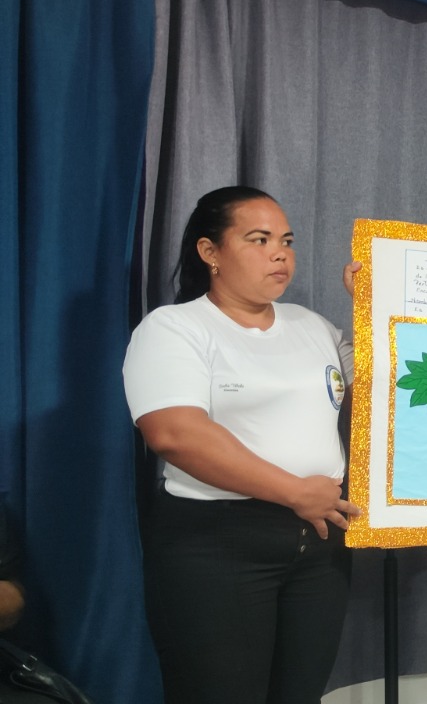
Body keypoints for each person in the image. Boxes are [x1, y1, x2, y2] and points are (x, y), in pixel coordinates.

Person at [123, 186, 362, 704]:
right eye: (259, 239)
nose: (280, 254)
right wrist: (295, 492)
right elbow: (175, 433)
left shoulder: (314, 326)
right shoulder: (175, 328)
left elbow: (384, 389)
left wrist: (373, 306)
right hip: (218, 546)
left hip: (319, 548)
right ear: (210, 252)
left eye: (287, 241)